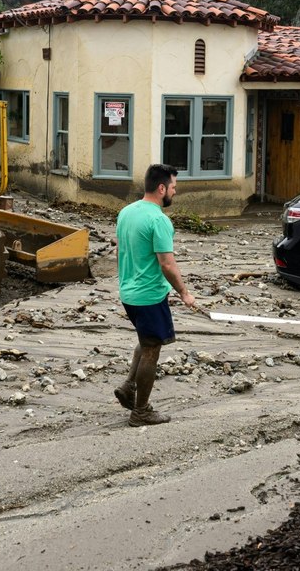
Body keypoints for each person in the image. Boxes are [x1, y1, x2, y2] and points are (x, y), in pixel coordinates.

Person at [113, 164, 196, 426]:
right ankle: (141, 411)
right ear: (161, 188)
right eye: (173, 187)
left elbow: (121, 252)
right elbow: (167, 264)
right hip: (149, 296)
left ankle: (128, 386)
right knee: (151, 349)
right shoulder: (159, 220)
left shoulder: (127, 212)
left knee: (146, 339)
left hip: (128, 292)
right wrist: (184, 293)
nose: (174, 192)